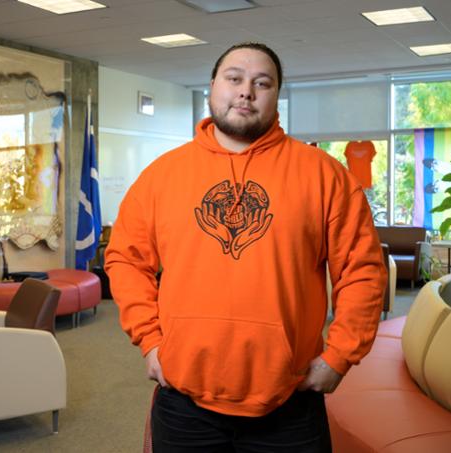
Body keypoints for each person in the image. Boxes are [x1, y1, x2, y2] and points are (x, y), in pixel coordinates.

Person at [105, 42, 387, 452]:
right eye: (234, 78)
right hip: (184, 401)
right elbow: (125, 259)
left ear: (276, 96)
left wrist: (340, 355)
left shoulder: (325, 176)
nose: (246, 91)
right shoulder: (162, 175)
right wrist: (149, 339)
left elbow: (362, 269)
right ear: (212, 88)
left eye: (262, 83)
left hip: (290, 402)